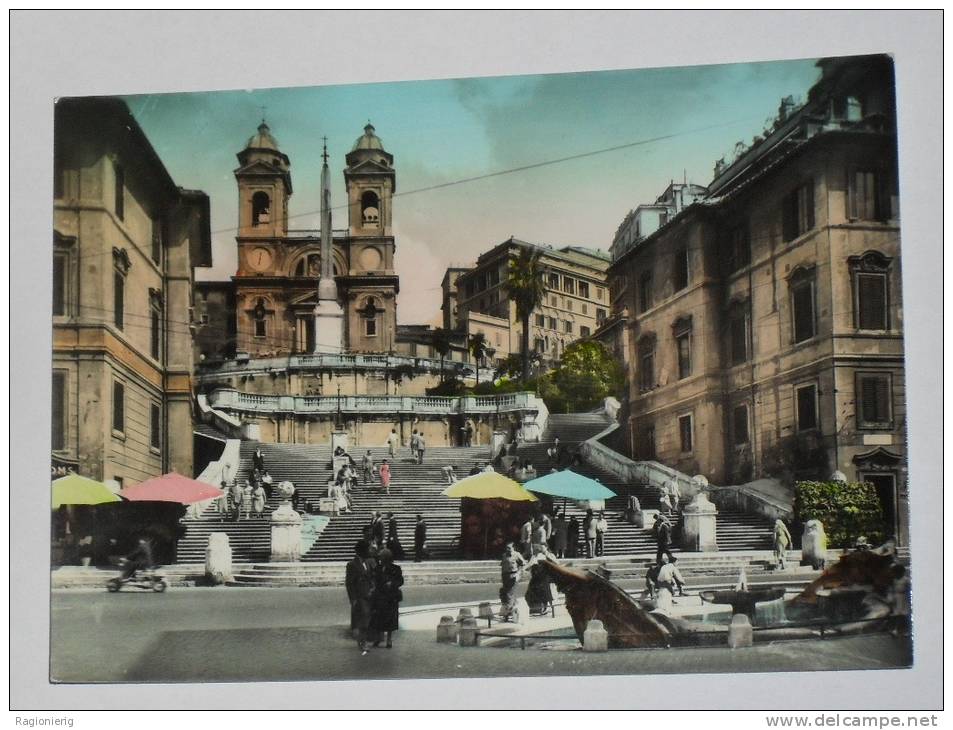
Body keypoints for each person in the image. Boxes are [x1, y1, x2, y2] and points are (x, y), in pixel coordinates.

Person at [369, 548, 404, 649]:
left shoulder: (396, 568)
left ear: (387, 558)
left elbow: (400, 581)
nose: (380, 559)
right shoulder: (378, 568)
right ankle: (378, 638)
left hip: (391, 597)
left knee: (390, 619)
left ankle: (389, 639)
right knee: (378, 618)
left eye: (382, 557)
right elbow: (374, 579)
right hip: (380, 596)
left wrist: (392, 583)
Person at [345, 540, 375, 655]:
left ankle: (363, 641)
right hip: (359, 596)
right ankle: (362, 642)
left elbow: (370, 577)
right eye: (368, 549)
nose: (370, 551)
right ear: (362, 550)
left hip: (369, 595)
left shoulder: (367, 563)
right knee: (362, 621)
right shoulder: (352, 565)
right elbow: (349, 583)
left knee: (367, 619)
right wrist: (352, 599)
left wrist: (372, 587)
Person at [499, 543, 526, 622]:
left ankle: (507, 613)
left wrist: (519, 573)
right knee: (505, 592)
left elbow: (523, 564)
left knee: (509, 594)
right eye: (507, 548)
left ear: (513, 548)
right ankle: (514, 610)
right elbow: (503, 566)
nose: (508, 549)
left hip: (513, 575)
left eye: (509, 548)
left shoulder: (517, 555)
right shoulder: (504, 555)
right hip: (505, 576)